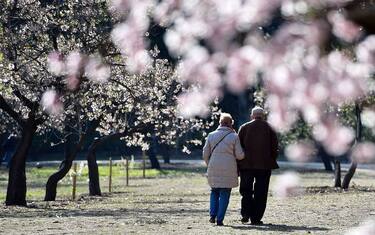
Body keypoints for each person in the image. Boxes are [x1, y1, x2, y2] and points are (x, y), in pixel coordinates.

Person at [238, 107, 278, 225]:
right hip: (264, 165)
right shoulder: (270, 128)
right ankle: (256, 218)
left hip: (246, 165)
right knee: (261, 192)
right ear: (263, 116)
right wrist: (271, 159)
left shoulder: (244, 127)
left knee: (246, 190)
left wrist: (239, 163)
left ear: (252, 116)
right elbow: (274, 147)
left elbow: (238, 147)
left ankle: (246, 213)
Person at [203, 113, 244, 226]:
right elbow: (240, 155)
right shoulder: (234, 136)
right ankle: (220, 219)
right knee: (225, 193)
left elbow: (205, 154)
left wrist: (209, 164)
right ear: (231, 124)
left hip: (213, 166)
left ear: (220, 123)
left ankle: (212, 215)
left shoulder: (211, 135)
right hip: (229, 168)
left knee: (214, 191)